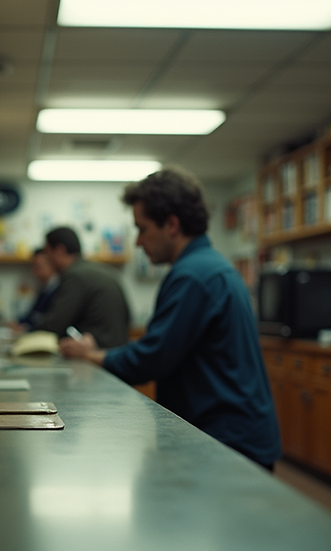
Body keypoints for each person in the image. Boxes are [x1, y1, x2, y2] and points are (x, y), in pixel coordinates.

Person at [59, 166, 282, 471]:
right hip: (234, 435)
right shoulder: (210, 266)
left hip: (228, 443)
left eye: (142, 228)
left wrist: (91, 354)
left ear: (172, 225)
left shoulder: (192, 275)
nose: (138, 242)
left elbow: (151, 357)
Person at [33, 226, 130, 348]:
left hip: (97, 354)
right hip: (115, 350)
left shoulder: (75, 275)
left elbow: (54, 325)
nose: (47, 260)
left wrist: (27, 334)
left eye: (47, 254)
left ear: (59, 250)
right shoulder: (98, 270)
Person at [18, 248, 59, 330]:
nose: (34, 272)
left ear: (52, 264)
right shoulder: (45, 288)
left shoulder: (58, 289)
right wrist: (19, 323)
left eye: (38, 267)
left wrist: (27, 328)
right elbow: (32, 315)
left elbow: (48, 321)